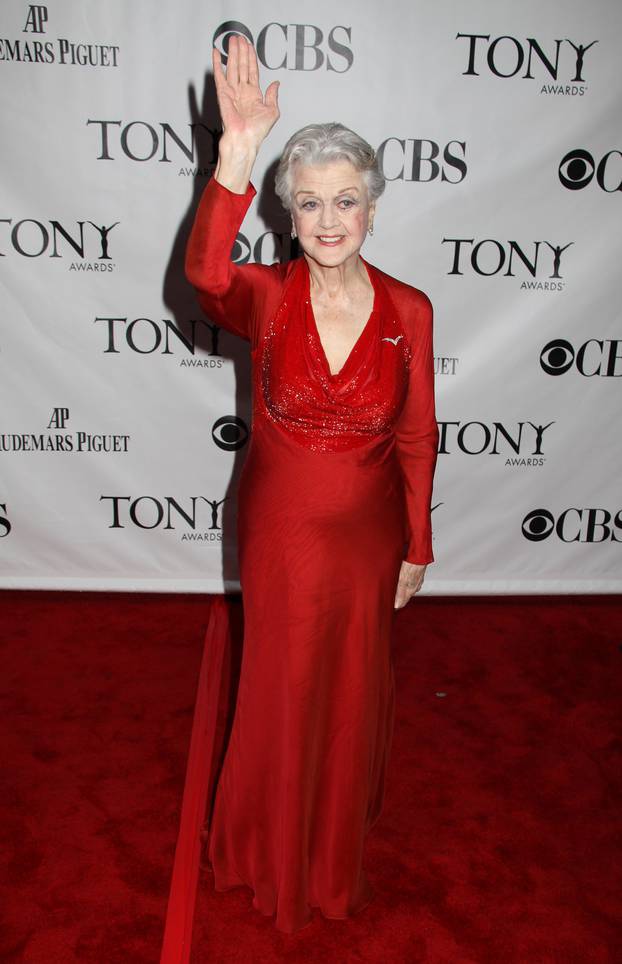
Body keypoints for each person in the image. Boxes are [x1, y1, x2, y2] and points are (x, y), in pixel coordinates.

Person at [184, 36, 439, 934]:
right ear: (286, 216)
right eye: (309, 204)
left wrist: (417, 543)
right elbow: (203, 276)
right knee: (282, 684)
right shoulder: (264, 294)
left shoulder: (410, 310)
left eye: (346, 200)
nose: (329, 219)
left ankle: (334, 839)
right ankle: (269, 848)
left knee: (354, 687)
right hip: (283, 525)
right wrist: (239, 155)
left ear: (372, 206)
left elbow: (417, 434)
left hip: (368, 534)